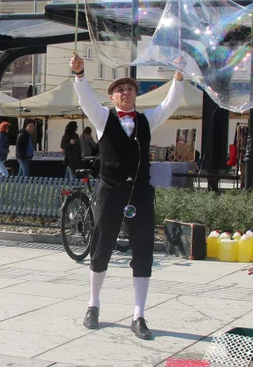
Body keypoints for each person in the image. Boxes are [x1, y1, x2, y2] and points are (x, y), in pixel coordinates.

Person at [71, 52, 184, 341]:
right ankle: (93, 305)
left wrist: (179, 77)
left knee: (143, 248)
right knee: (101, 244)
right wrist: (80, 75)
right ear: (112, 97)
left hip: (140, 192)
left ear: (136, 95)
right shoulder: (103, 118)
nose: (126, 92)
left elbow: (170, 104)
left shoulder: (147, 120)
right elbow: (85, 100)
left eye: (131, 89)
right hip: (110, 190)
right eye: (120, 90)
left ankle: (139, 314)